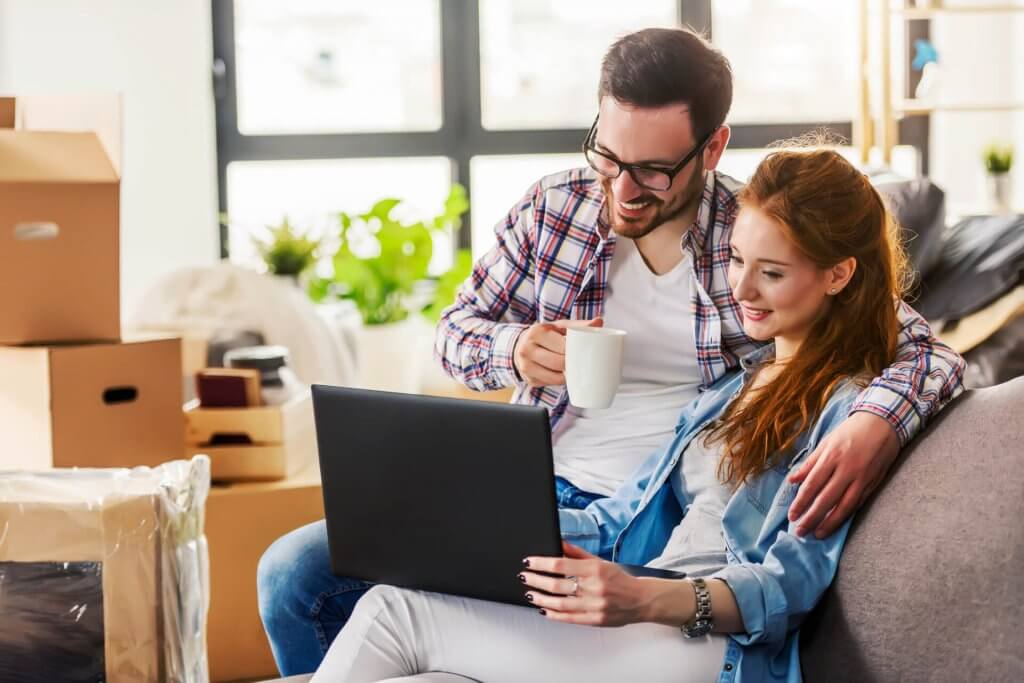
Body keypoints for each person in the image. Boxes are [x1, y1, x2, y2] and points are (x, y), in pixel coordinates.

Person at [257, 27, 964, 676]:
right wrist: (514, 349)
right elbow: (454, 332)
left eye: (653, 169)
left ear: (711, 149)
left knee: (402, 620)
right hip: (550, 500)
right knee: (294, 574)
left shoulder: (757, 232)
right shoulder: (554, 209)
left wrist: (877, 422)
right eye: (607, 156)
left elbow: (915, 345)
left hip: (650, 531)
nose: (621, 189)